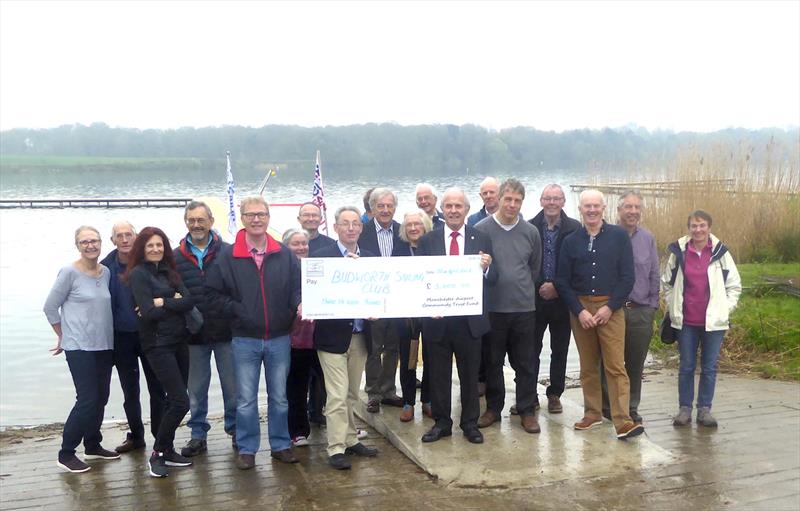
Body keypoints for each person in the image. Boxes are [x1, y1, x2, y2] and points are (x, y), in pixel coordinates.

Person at [206, 196, 302, 470]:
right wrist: (238, 311)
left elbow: (297, 288)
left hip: (279, 337)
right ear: (243, 218)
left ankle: (281, 444)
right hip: (244, 338)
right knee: (245, 399)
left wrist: (297, 304)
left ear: (269, 217)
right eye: (250, 215)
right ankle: (247, 448)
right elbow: (211, 294)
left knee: (279, 397)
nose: (256, 219)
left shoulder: (283, 254)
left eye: (261, 214)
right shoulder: (227, 255)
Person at [555, 189, 644, 440]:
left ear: (604, 208)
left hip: (611, 308)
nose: (592, 210)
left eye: (596, 206)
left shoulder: (618, 236)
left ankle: (623, 420)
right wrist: (579, 311)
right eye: (587, 206)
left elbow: (628, 277)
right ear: (580, 209)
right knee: (588, 365)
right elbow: (562, 281)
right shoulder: (571, 240)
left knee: (615, 365)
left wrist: (610, 307)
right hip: (581, 308)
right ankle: (592, 413)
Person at [417, 187, 496, 445]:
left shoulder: (480, 238)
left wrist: (486, 269)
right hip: (437, 321)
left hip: (469, 321)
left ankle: (470, 423)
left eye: (458, 206)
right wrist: (429, 307)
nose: (453, 211)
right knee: (438, 375)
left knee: (470, 376)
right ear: (443, 209)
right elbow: (420, 279)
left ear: (466, 210)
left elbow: (494, 279)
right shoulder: (429, 240)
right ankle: (442, 423)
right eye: (449, 206)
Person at [44, 226, 118, 473]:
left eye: (94, 241)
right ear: (77, 245)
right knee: (87, 399)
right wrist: (62, 335)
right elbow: (50, 307)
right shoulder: (68, 272)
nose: (91, 246)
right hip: (79, 346)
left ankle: (93, 444)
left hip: (104, 344)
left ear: (100, 244)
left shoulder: (105, 272)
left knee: (102, 397)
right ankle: (66, 453)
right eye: (85, 242)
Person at [125, 226, 197, 477]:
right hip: (157, 345)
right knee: (181, 402)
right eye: (150, 246)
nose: (156, 249)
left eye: (159, 245)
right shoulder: (138, 275)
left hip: (180, 342)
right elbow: (149, 312)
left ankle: (166, 449)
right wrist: (172, 300)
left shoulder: (170, 271)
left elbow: (189, 301)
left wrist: (162, 300)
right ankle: (157, 453)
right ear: (142, 249)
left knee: (173, 399)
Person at [313, 206, 379, 470]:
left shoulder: (372, 259)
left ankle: (351, 440)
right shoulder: (321, 258)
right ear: (336, 227)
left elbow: (382, 294)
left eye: (355, 224)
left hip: (361, 335)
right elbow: (314, 296)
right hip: (331, 339)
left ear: (361, 228)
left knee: (352, 393)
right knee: (337, 395)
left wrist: (379, 310)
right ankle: (335, 447)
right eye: (345, 223)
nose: (351, 228)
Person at [475, 179, 542, 434]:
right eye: (508, 199)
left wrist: (521, 288)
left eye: (517, 200)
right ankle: (493, 408)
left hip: (524, 308)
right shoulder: (482, 229)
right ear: (498, 199)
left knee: (525, 362)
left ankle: (526, 409)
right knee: (492, 362)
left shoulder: (530, 232)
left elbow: (533, 268)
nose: (512, 205)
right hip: (493, 309)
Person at [663, 210, 741, 428]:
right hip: (686, 322)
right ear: (689, 228)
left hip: (713, 323)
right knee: (686, 366)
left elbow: (734, 285)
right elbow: (667, 283)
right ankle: (685, 409)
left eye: (702, 225)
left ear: (709, 227)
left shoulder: (720, 253)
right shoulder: (678, 252)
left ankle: (704, 409)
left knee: (709, 367)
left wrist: (725, 309)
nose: (698, 230)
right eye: (694, 226)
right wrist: (673, 306)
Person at [173, 201, 237, 457]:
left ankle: (236, 431)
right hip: (193, 335)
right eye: (191, 220)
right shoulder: (174, 256)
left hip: (226, 332)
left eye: (201, 220)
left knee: (233, 388)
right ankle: (198, 434)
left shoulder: (230, 252)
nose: (196, 225)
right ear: (186, 223)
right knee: (196, 390)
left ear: (211, 221)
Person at [101, 221, 166, 454]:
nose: (125, 239)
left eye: (129, 234)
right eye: (120, 236)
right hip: (122, 337)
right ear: (113, 241)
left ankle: (160, 438)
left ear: (136, 237)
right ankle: (136, 436)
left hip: (150, 334)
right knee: (130, 391)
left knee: (157, 388)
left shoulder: (149, 263)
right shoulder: (105, 268)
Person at [601, 191, 659, 424]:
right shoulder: (607, 235)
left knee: (635, 363)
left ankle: (631, 407)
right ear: (618, 209)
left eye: (637, 207)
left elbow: (654, 273)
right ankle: (608, 406)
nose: (633, 211)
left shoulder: (648, 238)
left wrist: (653, 306)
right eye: (628, 207)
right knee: (609, 362)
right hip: (612, 310)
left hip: (640, 310)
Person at [528, 184, 581, 414]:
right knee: (531, 349)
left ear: (563, 202)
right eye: (547, 198)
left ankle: (555, 394)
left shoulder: (574, 228)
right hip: (535, 299)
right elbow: (526, 263)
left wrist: (558, 288)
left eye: (556, 199)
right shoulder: (529, 227)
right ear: (540, 201)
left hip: (562, 299)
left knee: (560, 349)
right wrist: (540, 286)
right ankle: (529, 394)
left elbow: (578, 265)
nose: (551, 203)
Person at [357, 187, 410, 413]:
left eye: (389, 206)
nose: (386, 210)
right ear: (372, 208)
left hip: (397, 300)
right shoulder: (362, 231)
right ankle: (373, 392)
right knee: (373, 348)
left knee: (393, 347)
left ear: (395, 208)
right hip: (372, 300)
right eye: (381, 206)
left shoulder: (403, 231)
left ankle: (388, 390)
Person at [282, 228, 320, 447]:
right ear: (286, 246)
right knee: (296, 387)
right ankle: (297, 431)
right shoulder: (283, 270)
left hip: (319, 337)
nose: (301, 247)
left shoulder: (316, 268)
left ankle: (338, 425)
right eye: (295, 244)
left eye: (304, 243)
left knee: (330, 385)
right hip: (293, 338)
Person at [397, 210, 434, 422]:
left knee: (431, 356)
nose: (413, 228)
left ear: (425, 226)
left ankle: (427, 400)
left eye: (417, 224)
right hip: (406, 315)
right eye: (409, 225)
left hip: (430, 312)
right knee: (408, 358)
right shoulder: (398, 249)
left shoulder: (433, 247)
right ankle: (408, 402)